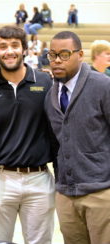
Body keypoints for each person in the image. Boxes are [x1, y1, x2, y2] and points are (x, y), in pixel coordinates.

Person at [0, 25, 55, 244]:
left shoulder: (45, 82)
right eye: (3, 46)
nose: (9, 51)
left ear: (24, 49)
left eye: (15, 45)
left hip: (39, 178)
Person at [45, 30, 110, 244]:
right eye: (52, 55)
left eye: (64, 54)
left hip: (101, 192)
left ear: (80, 54)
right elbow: (57, 144)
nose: (57, 61)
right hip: (66, 194)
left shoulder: (102, 86)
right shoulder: (51, 96)